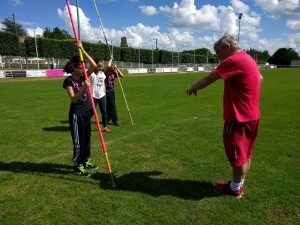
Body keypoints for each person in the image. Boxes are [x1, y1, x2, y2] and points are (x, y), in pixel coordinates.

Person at [187, 33, 263, 198]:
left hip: (239, 118)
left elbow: (209, 78)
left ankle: (234, 188)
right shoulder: (248, 58)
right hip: (252, 115)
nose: (218, 56)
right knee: (246, 154)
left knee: (237, 156)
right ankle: (238, 184)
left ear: (227, 48)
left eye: (218, 52)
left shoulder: (233, 60)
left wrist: (193, 87)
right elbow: (261, 78)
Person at [63, 40, 98, 177]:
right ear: (73, 68)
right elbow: (73, 99)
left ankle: (85, 161)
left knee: (87, 139)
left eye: (83, 67)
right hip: (76, 114)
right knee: (79, 142)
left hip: (87, 112)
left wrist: (82, 50)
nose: (83, 69)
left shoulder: (84, 76)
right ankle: (77, 165)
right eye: (80, 67)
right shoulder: (69, 81)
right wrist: (84, 87)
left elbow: (94, 65)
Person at [90, 58, 110, 133]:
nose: (100, 68)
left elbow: (104, 84)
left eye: (101, 66)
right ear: (95, 65)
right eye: (99, 66)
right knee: (91, 111)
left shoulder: (103, 74)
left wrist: (104, 93)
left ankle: (105, 126)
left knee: (104, 111)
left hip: (102, 96)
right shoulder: (91, 74)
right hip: (93, 96)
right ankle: (85, 123)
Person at [104, 53, 123, 127]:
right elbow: (108, 66)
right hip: (104, 92)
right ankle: (108, 118)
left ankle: (115, 120)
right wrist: (111, 58)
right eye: (112, 66)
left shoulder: (114, 74)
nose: (112, 67)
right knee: (106, 107)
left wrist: (117, 69)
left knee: (112, 106)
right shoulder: (104, 72)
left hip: (111, 92)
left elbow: (121, 75)